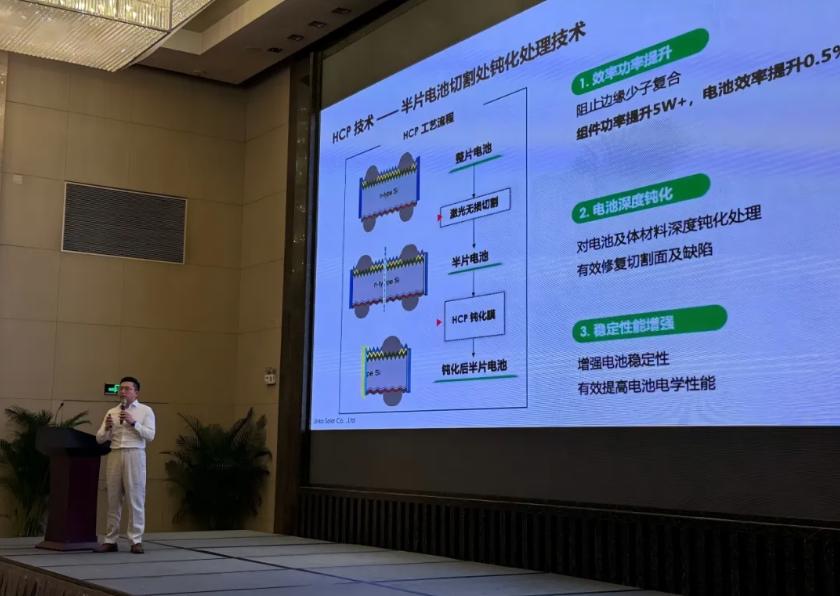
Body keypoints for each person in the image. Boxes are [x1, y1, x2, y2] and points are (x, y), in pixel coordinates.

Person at [94, 376, 156, 554]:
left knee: (135, 498)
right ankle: (110, 540)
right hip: (115, 453)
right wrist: (107, 428)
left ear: (136, 392)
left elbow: (150, 435)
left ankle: (135, 540)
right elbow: (99, 439)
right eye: (121, 388)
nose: (123, 392)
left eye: (127, 389)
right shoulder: (112, 412)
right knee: (113, 498)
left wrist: (134, 422)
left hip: (135, 453)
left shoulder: (145, 411)